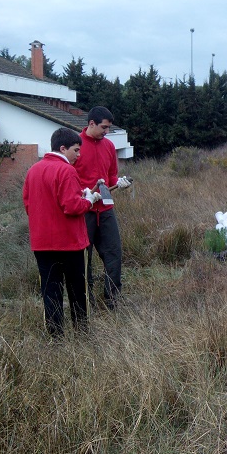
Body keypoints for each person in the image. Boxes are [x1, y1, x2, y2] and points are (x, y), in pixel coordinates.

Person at [23, 127, 102, 337]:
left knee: (50, 291)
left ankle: (56, 337)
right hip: (69, 243)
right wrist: (89, 199)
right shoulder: (67, 171)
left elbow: (29, 205)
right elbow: (72, 207)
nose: (78, 155)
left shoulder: (33, 170)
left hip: (41, 243)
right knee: (77, 289)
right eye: (76, 150)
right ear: (63, 148)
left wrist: (80, 195)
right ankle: (81, 333)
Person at [74, 106, 132, 310]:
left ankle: (112, 300)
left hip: (106, 210)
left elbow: (112, 176)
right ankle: (85, 302)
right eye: (104, 127)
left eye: (108, 128)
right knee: (84, 258)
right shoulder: (76, 147)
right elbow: (67, 180)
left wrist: (121, 182)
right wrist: (84, 194)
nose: (107, 132)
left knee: (114, 252)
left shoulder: (108, 146)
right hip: (84, 211)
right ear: (91, 124)